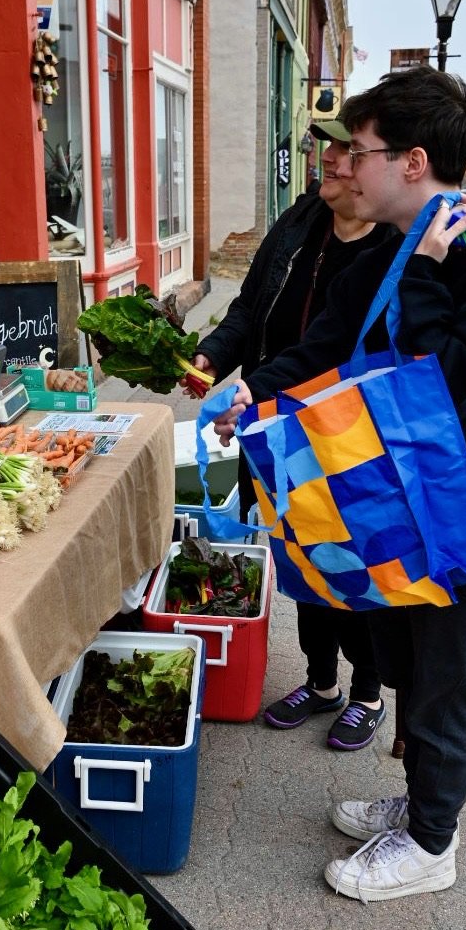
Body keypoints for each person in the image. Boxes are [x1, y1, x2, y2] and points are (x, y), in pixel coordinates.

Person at [211, 67, 466, 902]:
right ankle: (418, 805)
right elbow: (329, 345)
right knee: (400, 659)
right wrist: (254, 392)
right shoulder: (390, 252)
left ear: (411, 161)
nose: (343, 166)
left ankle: (433, 843)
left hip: (462, 517)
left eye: (358, 151)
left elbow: (449, 384)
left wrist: (432, 272)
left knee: (444, 680)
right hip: (390, 505)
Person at [188, 117, 399, 751]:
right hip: (274, 420)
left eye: (345, 150)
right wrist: (211, 356)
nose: (330, 160)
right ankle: (321, 681)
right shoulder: (299, 222)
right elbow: (249, 308)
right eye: (327, 149)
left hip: (346, 433)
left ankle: (368, 692)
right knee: (300, 555)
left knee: (354, 563)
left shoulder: (390, 245)